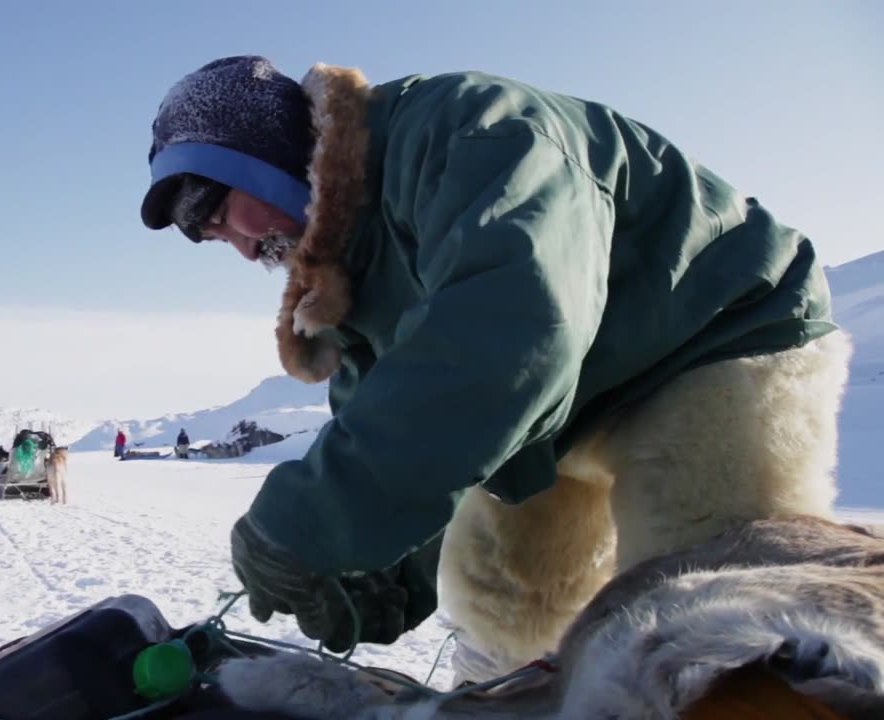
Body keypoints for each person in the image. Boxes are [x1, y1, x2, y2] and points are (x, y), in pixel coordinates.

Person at [138, 56, 852, 680]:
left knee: (699, 617)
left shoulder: (469, 133)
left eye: (220, 209)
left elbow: (513, 328)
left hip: (712, 341)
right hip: (560, 407)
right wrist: (381, 573)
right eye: (209, 236)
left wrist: (311, 519)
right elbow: (398, 412)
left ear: (259, 153)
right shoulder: (346, 270)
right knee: (506, 606)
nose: (237, 246)